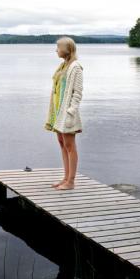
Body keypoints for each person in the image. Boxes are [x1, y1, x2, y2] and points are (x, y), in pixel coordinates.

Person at [44, 36, 83, 190]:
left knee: (70, 145)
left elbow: (77, 93)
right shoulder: (63, 66)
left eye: (58, 47)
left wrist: (71, 111)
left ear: (66, 49)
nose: (56, 50)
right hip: (58, 112)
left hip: (67, 113)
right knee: (62, 144)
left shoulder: (75, 67)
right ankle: (65, 178)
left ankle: (71, 182)